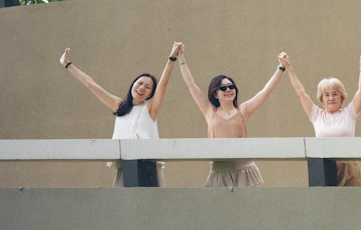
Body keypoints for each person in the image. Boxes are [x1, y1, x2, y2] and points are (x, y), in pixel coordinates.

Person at [59, 42, 181, 186]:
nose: (142, 88)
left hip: (146, 163)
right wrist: (67, 64)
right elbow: (91, 85)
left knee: (147, 204)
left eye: (148, 87)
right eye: (140, 83)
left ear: (150, 94)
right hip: (125, 163)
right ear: (133, 84)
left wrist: (172, 58)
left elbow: (163, 85)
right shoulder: (120, 106)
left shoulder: (150, 109)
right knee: (125, 202)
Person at [178, 46, 286, 187]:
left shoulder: (244, 110)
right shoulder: (209, 111)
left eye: (231, 86)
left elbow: (265, 91)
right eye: (223, 88)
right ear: (215, 94)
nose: (228, 90)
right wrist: (180, 57)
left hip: (243, 169)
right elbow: (191, 85)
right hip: (219, 170)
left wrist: (281, 67)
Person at [282, 50, 361, 186]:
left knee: (351, 205)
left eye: (335, 94)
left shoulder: (349, 113)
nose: (331, 98)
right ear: (321, 98)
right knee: (326, 204)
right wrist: (289, 68)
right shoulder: (316, 115)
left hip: (348, 168)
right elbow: (301, 93)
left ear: (342, 96)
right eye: (327, 95)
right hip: (324, 167)